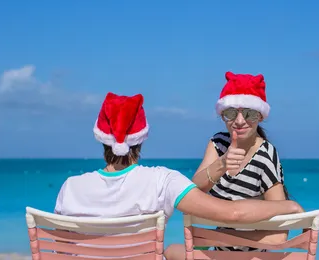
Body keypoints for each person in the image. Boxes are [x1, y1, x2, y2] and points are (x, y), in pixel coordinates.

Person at [53, 92, 303, 233]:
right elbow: (234, 213)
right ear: (142, 137)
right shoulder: (161, 181)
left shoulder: (70, 188)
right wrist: (289, 206)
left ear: (101, 138)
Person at [165, 71, 289, 258]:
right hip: (218, 251)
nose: (239, 121)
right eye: (231, 113)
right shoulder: (218, 143)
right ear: (222, 115)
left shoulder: (265, 155)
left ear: (261, 116)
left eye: (249, 113)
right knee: (170, 250)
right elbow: (192, 192)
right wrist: (221, 164)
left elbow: (279, 231)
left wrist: (223, 237)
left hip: (251, 255)